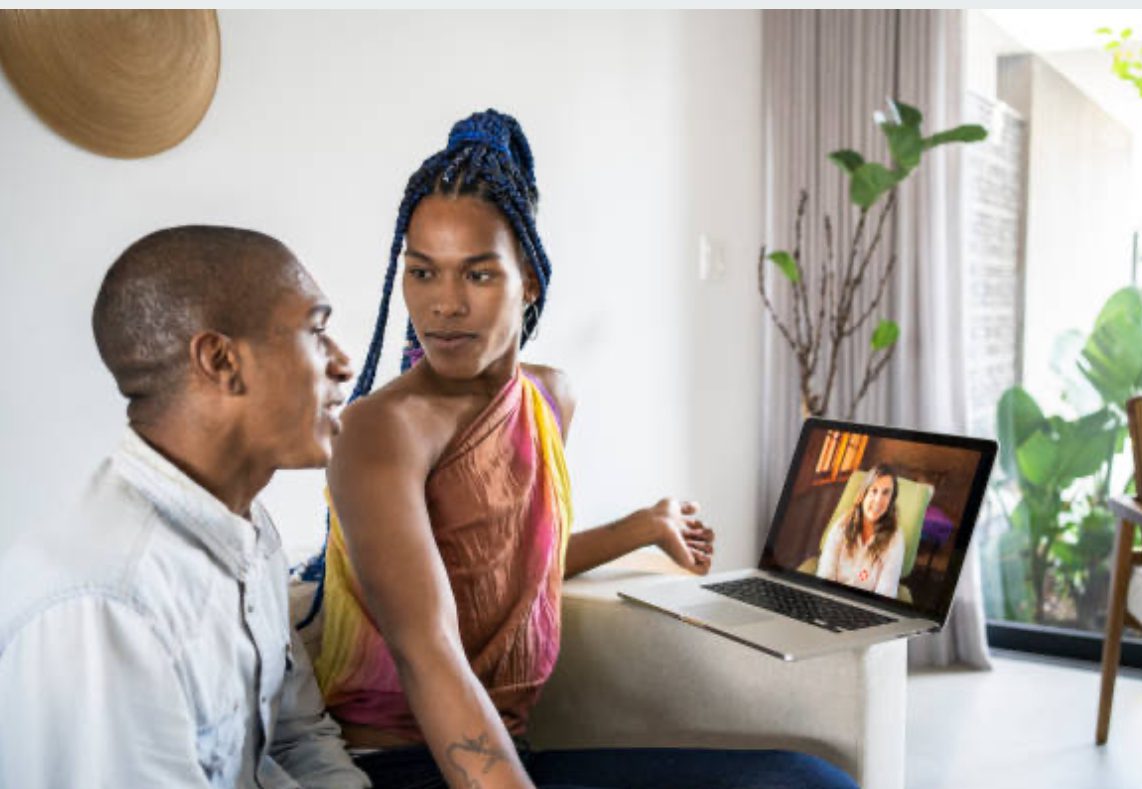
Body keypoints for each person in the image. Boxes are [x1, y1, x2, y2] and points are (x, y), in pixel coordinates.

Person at [309, 109, 858, 789]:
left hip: (515, 751)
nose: (443, 304)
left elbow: (505, 566)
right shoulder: (376, 430)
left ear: (530, 280)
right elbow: (429, 650)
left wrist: (643, 527)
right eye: (423, 273)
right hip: (405, 766)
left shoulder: (547, 400)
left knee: (809, 782)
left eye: (477, 275)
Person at [0, 227, 370, 788]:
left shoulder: (248, 530)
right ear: (221, 360)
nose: (342, 364)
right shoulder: (107, 606)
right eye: (316, 331)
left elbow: (296, 738)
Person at [816, 464, 905, 598]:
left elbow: (885, 594)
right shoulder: (842, 525)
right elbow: (825, 575)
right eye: (874, 490)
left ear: (891, 501)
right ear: (863, 494)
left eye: (886, 493)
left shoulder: (895, 539)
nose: (878, 500)